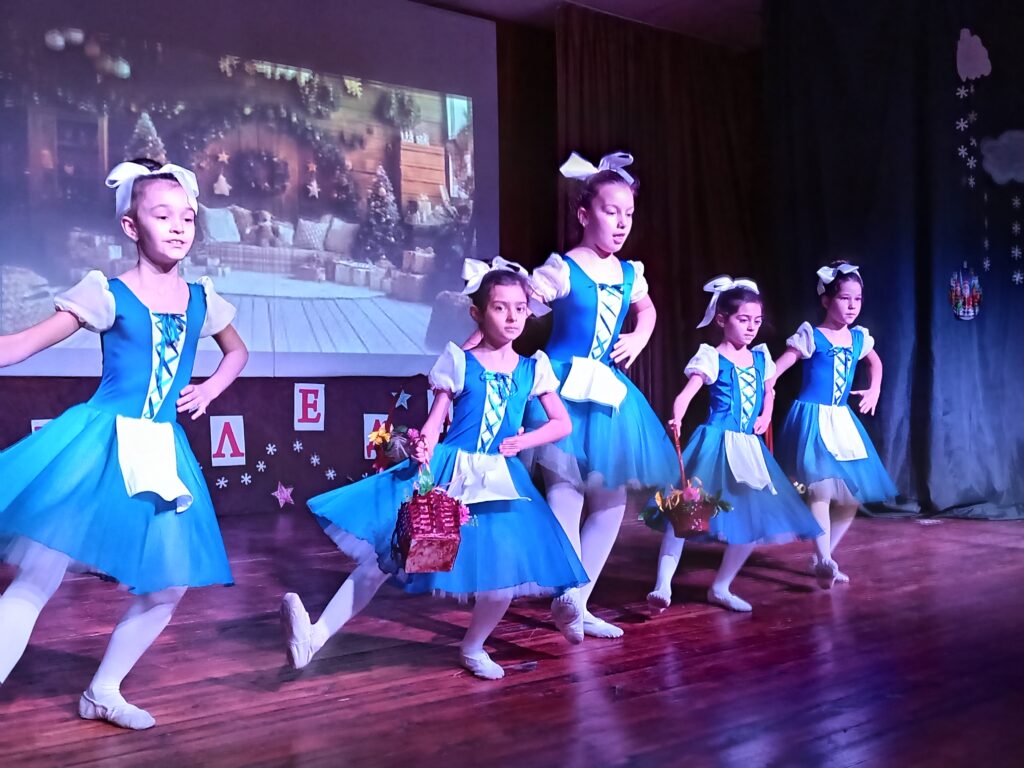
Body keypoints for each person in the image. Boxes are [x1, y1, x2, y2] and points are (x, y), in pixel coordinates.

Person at [0, 159, 247, 728]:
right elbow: (19, 345)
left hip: (159, 451)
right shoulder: (108, 294)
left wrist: (210, 388)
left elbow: (237, 352)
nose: (179, 226)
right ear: (132, 227)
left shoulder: (203, 299)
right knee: (39, 573)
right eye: (163, 215)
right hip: (98, 445)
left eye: (187, 216)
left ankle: (102, 691)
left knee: (171, 584)